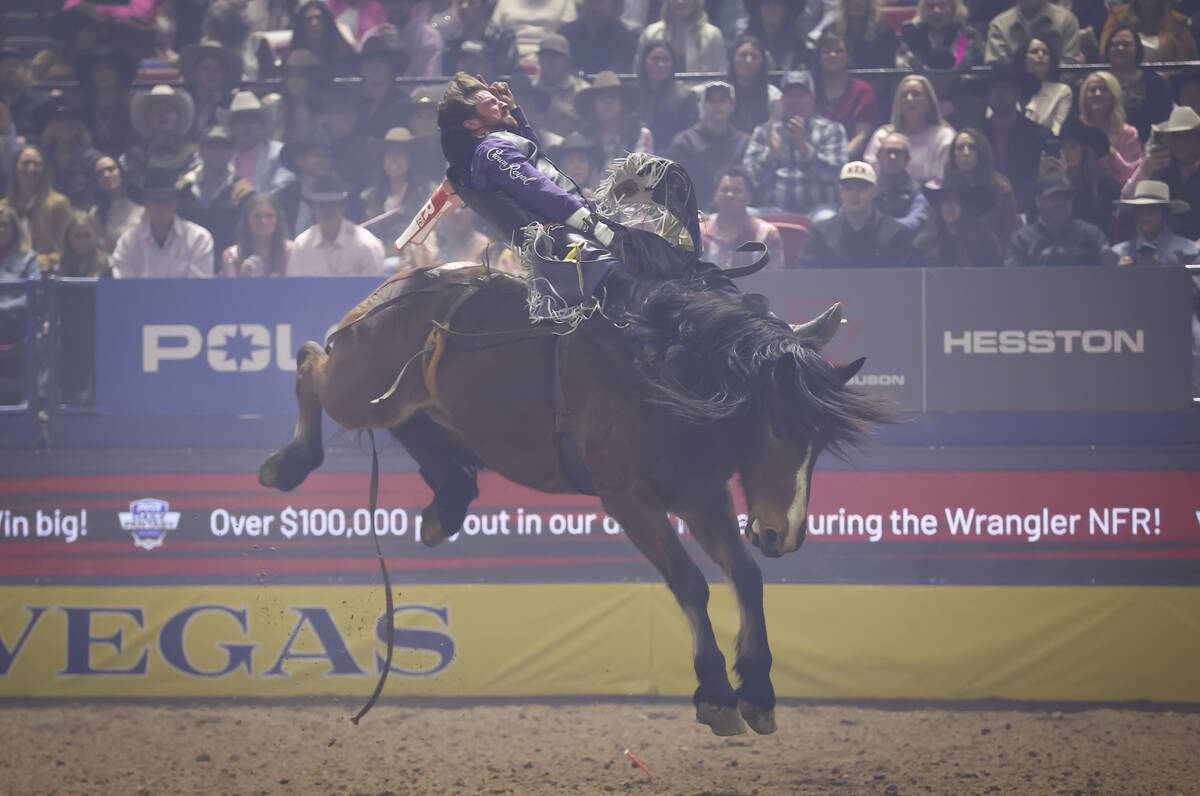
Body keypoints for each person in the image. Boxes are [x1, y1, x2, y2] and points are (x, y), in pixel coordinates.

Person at [438, 72, 623, 255]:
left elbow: (534, 156)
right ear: (472, 124)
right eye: (492, 103)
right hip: (561, 241)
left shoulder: (493, 147)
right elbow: (541, 190)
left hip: (563, 233)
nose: (502, 103)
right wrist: (593, 225)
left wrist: (513, 110)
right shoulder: (492, 151)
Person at [743, 70, 847, 219]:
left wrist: (805, 149)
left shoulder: (832, 130)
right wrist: (770, 154)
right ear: (782, 99)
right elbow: (749, 181)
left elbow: (837, 175)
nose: (795, 101)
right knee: (735, 215)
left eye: (801, 96)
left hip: (817, 211)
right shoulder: (764, 131)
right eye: (790, 96)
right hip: (770, 211)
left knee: (828, 218)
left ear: (812, 99)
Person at [802, 161, 918, 267]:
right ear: (840, 191)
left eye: (861, 188)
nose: (854, 194)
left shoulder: (895, 233)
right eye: (848, 188)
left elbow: (907, 278)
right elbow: (808, 277)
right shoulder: (821, 233)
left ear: (875, 191)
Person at [178, 125, 256, 272]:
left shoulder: (244, 192)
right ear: (200, 151)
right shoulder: (182, 188)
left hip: (229, 267)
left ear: (232, 152)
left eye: (223, 147)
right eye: (211, 146)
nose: (217, 152)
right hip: (186, 265)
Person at [111, 169, 215, 278]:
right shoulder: (127, 242)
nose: (162, 205)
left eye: (167, 199)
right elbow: (122, 284)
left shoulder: (199, 238)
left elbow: (199, 286)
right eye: (156, 200)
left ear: (177, 202)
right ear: (145, 202)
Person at [667, 81, 751, 213]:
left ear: (732, 105)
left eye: (722, 100)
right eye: (711, 100)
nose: (716, 105)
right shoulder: (684, 141)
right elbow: (673, 186)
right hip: (694, 215)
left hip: (735, 213)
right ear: (703, 105)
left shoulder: (744, 142)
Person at [975, 63, 1051, 207]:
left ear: (1017, 94)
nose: (999, 94)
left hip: (1028, 206)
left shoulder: (1039, 135)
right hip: (985, 206)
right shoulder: (977, 134)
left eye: (1005, 89)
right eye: (994, 89)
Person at [1122, 106, 1200, 240]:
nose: (1180, 142)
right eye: (1175, 137)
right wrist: (1144, 171)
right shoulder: (1159, 168)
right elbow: (1126, 201)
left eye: (1187, 136)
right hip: (1160, 241)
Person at [1004, 173, 1117, 266]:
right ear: (1038, 201)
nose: (1061, 202)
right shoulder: (1022, 241)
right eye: (1054, 196)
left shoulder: (1091, 235)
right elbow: (1013, 280)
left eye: (1066, 197)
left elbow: (1111, 266)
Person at [864, 74, 956, 184]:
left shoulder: (944, 136)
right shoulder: (882, 136)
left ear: (929, 101)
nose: (909, 99)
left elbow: (946, 178)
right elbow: (871, 177)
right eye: (904, 95)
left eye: (916, 94)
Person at [1037, 114, 1121, 234]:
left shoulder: (1106, 187)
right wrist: (1042, 183)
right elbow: (1034, 222)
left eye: (1073, 147)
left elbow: (1091, 223)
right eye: (1062, 146)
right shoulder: (1045, 182)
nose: (1066, 152)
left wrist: (1063, 185)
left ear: (1084, 152)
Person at [289, 173, 385, 276]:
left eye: (333, 204)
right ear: (312, 208)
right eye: (321, 205)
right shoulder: (301, 247)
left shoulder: (367, 245)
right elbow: (295, 285)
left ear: (343, 205)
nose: (327, 210)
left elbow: (377, 284)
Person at [360, 127, 437, 250]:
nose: (394, 159)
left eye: (400, 154)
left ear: (410, 160)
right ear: (382, 160)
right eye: (389, 154)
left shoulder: (428, 192)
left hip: (416, 252)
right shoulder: (370, 196)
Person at [942, 127, 1021, 246]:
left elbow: (1010, 231)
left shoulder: (1001, 187)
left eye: (972, 148)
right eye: (960, 148)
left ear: (981, 153)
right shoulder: (946, 186)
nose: (966, 153)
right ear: (953, 155)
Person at [699, 165, 784, 270]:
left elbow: (775, 278)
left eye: (737, 191)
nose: (730, 195)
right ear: (715, 196)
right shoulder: (699, 233)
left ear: (749, 197)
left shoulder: (767, 234)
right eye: (724, 190)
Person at [122, 84, 199, 198]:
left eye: (169, 110)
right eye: (157, 110)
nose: (163, 114)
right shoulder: (133, 156)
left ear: (179, 117)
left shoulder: (193, 154)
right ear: (147, 118)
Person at [0, 202, 41, 405]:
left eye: (5, 224)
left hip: (18, 323)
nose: (1, 229)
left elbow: (36, 294)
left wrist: (6, 308)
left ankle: (35, 402)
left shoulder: (28, 257)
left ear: (14, 228)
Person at [914, 172, 1002, 266]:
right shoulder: (925, 243)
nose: (950, 206)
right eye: (945, 200)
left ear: (966, 206)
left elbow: (994, 272)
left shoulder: (985, 241)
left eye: (957, 201)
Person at [813, 31, 876, 160]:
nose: (833, 55)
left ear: (848, 57)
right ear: (818, 57)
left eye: (839, 51)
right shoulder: (809, 90)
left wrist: (836, 160)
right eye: (827, 51)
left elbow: (862, 136)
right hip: (810, 158)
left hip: (849, 162)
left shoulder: (863, 91)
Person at [1103, 25, 1171, 143]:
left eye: (1126, 44)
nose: (1120, 48)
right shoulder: (1099, 81)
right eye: (1114, 44)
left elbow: (1162, 122)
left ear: (1137, 48)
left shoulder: (1154, 82)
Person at [6, 145, 72, 262]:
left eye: (36, 164)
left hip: (46, 269)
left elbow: (66, 249)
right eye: (25, 163)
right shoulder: (4, 207)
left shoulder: (59, 203)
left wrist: (40, 261)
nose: (31, 169)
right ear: (15, 168)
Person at [34, 98, 101, 210]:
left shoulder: (91, 159)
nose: (67, 125)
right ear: (50, 125)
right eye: (61, 120)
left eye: (72, 120)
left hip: (81, 217)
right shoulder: (41, 158)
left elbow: (93, 198)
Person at [574, 71, 654, 165]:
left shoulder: (641, 135)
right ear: (593, 106)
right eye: (602, 98)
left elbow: (643, 169)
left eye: (613, 97)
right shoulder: (581, 138)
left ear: (623, 104)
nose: (608, 102)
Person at [636, 41, 700, 156]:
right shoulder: (633, 96)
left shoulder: (686, 96)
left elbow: (689, 138)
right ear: (643, 62)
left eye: (666, 60)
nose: (661, 65)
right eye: (655, 59)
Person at [1112, 180, 1199, 266]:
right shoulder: (1118, 254)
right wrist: (1119, 272)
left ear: (1164, 213)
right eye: (1140, 209)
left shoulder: (1190, 253)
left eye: (1152, 208)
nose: (1145, 215)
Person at [72, 44, 137, 158]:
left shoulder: (130, 104)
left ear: (118, 72)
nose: (103, 73)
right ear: (91, 74)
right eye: (97, 69)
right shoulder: (82, 106)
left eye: (109, 68)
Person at [1078, 70, 1141, 186]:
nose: (1098, 94)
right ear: (1084, 97)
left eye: (1104, 90)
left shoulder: (1129, 133)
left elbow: (1132, 175)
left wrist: (1111, 153)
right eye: (1092, 90)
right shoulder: (1076, 130)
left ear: (1114, 96)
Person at [638, 0, 728, 74]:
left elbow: (719, 75)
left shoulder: (712, 35)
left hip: (701, 90)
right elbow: (640, 73)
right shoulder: (651, 33)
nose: (680, 2)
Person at [526, 34, 589, 140]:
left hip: (571, 147)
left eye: (556, 57)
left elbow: (591, 128)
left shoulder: (583, 91)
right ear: (539, 59)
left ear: (568, 60)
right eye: (546, 56)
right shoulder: (527, 90)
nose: (550, 62)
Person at [361, 0, 444, 78]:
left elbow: (432, 81)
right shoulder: (371, 36)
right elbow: (363, 79)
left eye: (400, 1)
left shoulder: (430, 37)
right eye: (389, 2)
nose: (395, 6)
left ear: (411, 3)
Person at [178, 39, 243, 137]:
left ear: (225, 76)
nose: (212, 74)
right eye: (206, 68)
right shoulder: (183, 104)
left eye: (218, 69)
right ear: (195, 74)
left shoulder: (232, 104)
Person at [224, 91, 286, 194]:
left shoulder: (279, 152)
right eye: (241, 122)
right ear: (232, 127)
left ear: (262, 125)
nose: (246, 127)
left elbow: (282, 186)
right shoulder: (221, 153)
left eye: (252, 121)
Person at [1099, 0, 1198, 64]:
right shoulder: (1117, 16)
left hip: (1167, 83)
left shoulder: (1178, 21)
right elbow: (1104, 53)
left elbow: (1185, 61)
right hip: (1124, 79)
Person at [985, 0, 1082, 65]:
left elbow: (1069, 66)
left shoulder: (1066, 20)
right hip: (1012, 88)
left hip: (1058, 87)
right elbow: (998, 69)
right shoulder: (1000, 25)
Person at [898, 0, 984, 71]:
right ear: (923, 9)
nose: (936, 10)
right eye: (931, 6)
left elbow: (964, 64)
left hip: (959, 83)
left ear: (954, 8)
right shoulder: (912, 31)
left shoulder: (964, 34)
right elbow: (905, 64)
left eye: (942, 5)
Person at [442, 0, 520, 78]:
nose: (463, 7)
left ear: (484, 7)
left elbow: (510, 75)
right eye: (460, 3)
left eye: (471, 2)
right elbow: (446, 76)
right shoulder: (451, 42)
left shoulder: (503, 38)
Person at [222, 192, 293, 276]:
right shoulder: (232, 255)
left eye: (269, 216)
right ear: (247, 220)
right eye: (257, 216)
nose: (263, 221)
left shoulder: (291, 251)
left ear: (277, 220)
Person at [355, 37, 412, 141]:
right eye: (369, 63)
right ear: (361, 69)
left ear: (391, 68)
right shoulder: (350, 99)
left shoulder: (402, 101)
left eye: (380, 63)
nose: (374, 68)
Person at [561, 0, 640, 74]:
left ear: (615, 5)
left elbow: (615, 76)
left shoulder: (626, 41)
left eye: (600, 1)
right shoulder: (567, 33)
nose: (594, 6)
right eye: (591, 1)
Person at [874, 132, 930, 232]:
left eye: (898, 152)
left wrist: (887, 227)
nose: (892, 157)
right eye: (888, 152)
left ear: (907, 159)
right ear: (878, 156)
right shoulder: (867, 186)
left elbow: (917, 219)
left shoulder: (915, 191)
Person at [1017, 35, 1071, 135]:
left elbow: (1057, 130)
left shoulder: (1062, 91)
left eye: (1045, 53)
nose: (1041, 55)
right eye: (1034, 52)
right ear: (1023, 58)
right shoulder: (1011, 88)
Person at [727, 35, 781, 135]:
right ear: (733, 59)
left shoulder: (773, 96)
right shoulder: (720, 92)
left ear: (762, 62)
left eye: (754, 57)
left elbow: (776, 130)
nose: (748, 60)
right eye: (743, 55)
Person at [491, 0, 578, 60]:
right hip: (510, 57)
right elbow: (494, 32)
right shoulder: (504, 2)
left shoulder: (565, 2)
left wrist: (541, 56)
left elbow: (571, 33)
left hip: (551, 56)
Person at [91, 156, 144, 254]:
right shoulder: (95, 213)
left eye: (111, 169)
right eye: (100, 173)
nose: (106, 175)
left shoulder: (144, 206)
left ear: (122, 172)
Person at [742, 0, 814, 72]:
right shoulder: (745, 43)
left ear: (786, 8)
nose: (772, 8)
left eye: (778, 3)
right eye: (767, 3)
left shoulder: (800, 44)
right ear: (758, 7)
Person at [289, 0, 356, 75]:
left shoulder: (343, 50)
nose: (314, 23)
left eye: (319, 18)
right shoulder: (294, 54)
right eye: (308, 20)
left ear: (327, 21)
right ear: (301, 25)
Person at [276, 50, 328, 143]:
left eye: (301, 75)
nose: (294, 81)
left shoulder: (325, 109)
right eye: (290, 75)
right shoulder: (278, 108)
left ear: (312, 79)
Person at [836, 0, 899, 71]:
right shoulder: (833, 30)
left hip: (874, 76)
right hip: (842, 76)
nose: (856, 3)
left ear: (869, 3)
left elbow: (887, 66)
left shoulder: (884, 31)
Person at [549, 132, 606, 196]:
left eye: (582, 161)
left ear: (590, 166)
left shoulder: (605, 197)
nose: (576, 166)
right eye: (570, 161)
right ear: (562, 167)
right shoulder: (552, 196)